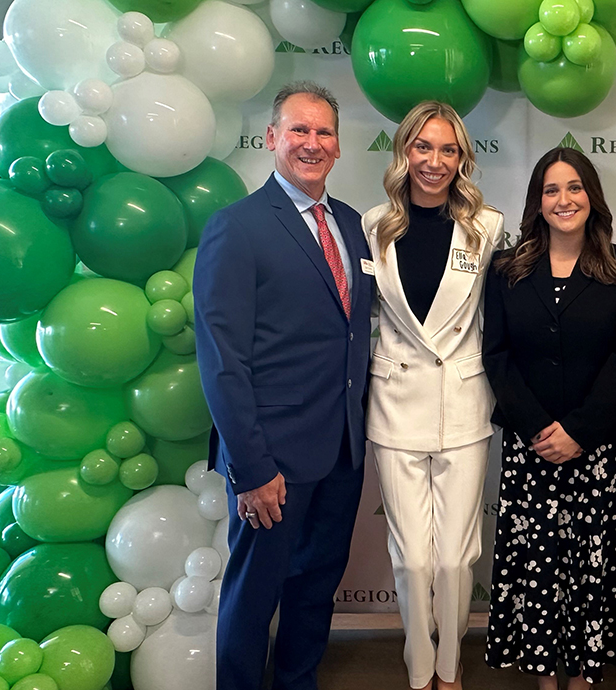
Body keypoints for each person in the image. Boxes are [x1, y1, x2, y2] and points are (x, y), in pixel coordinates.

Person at [194, 81, 373, 690]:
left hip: (342, 449)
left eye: (324, 132)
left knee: (316, 586)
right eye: (299, 129)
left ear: (338, 146)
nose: (312, 143)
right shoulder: (237, 227)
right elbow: (222, 360)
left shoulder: (351, 225)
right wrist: (251, 467)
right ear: (272, 137)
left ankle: (298, 682)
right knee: (253, 595)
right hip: (271, 458)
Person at [482, 147, 616, 690]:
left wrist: (579, 430)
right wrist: (537, 427)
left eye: (574, 187)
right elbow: (496, 355)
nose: (564, 199)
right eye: (551, 190)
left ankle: (581, 676)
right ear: (537, 201)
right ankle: (543, 677)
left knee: (588, 568)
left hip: (595, 448)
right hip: (530, 447)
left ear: (591, 196)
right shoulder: (506, 269)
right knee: (537, 565)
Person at [361, 101, 505, 690]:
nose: (435, 161)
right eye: (423, 147)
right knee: (413, 558)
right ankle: (420, 666)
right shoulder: (373, 225)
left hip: (463, 403)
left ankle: (450, 664)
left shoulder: (487, 226)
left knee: (454, 558)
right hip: (395, 402)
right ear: (404, 152)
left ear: (462, 158)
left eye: (448, 149)